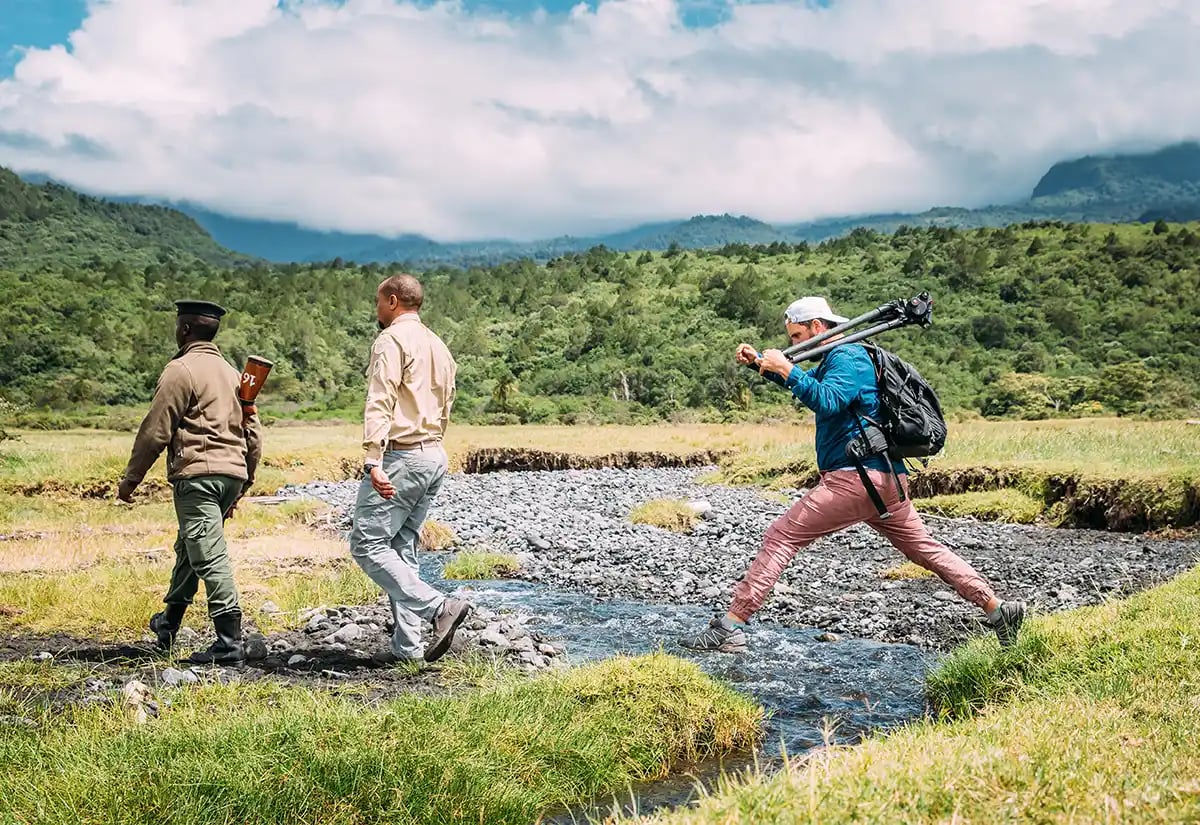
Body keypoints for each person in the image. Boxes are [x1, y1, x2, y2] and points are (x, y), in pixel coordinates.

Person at [679, 296, 1026, 653]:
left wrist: (786, 369)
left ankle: (731, 625)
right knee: (925, 550)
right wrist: (760, 366)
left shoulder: (848, 356)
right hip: (884, 483)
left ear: (817, 327)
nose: (796, 344)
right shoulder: (840, 357)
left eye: (797, 336)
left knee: (781, 537)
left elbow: (827, 399)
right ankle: (998, 610)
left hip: (854, 480)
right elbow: (810, 385)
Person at [118, 300, 262, 665]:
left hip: (198, 476)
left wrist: (131, 479)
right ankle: (168, 625)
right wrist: (245, 482)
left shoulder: (180, 370)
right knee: (190, 548)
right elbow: (253, 432)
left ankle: (229, 643)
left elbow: (155, 430)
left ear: (184, 330)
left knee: (209, 555)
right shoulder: (234, 375)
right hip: (232, 474)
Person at [349, 273, 471, 664]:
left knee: (367, 544)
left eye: (378, 301)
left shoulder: (391, 340)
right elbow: (448, 405)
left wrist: (373, 459)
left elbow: (380, 401)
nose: (376, 308)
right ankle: (408, 647)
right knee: (402, 546)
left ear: (393, 301)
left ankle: (438, 608)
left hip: (401, 455)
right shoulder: (440, 345)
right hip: (434, 454)